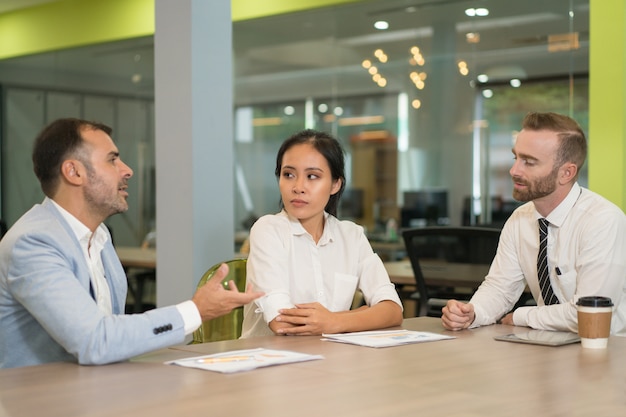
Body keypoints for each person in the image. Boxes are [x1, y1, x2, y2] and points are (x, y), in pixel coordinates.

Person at [0, 118, 263, 368]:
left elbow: (111, 339)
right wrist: (195, 311)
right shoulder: (34, 243)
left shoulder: (98, 236)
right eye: (112, 160)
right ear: (74, 172)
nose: (128, 170)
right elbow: (94, 341)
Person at [442, 112, 626, 335]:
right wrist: (472, 312)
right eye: (516, 158)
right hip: (547, 347)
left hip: (609, 352)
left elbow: (588, 313)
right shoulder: (520, 220)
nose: (514, 171)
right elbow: (500, 288)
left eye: (529, 162)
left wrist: (521, 316)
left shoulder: (602, 221)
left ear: (566, 173)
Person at [240, 129, 403, 338]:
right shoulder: (267, 230)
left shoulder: (351, 236)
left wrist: (334, 320)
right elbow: (282, 324)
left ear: (335, 184)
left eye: (312, 176)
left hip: (331, 360)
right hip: (271, 363)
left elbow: (392, 310)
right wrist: (360, 315)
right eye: (288, 174)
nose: (298, 187)